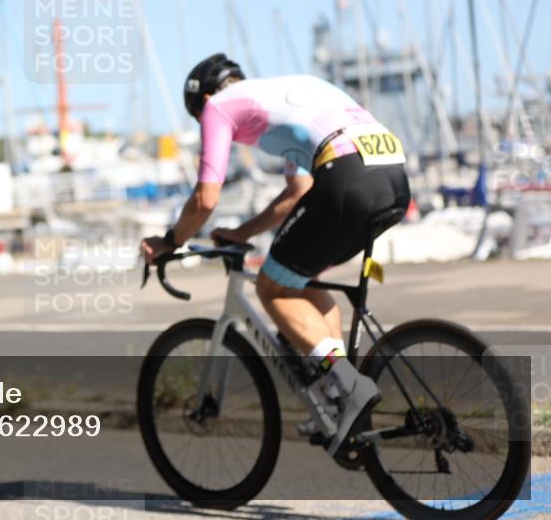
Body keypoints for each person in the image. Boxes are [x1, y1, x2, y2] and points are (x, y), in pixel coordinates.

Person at [141, 53, 410, 457]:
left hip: (348, 174)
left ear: (206, 98)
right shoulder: (287, 94)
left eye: (199, 121)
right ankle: (338, 396)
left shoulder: (218, 106)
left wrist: (170, 241)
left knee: (271, 287)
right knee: (298, 277)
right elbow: (298, 193)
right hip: (392, 174)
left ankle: (349, 385)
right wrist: (242, 232)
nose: (205, 127)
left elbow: (205, 198)